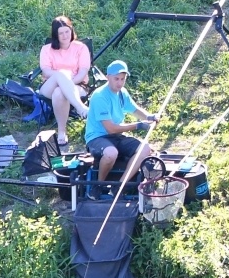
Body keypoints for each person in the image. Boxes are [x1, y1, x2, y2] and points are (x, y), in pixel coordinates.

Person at [84, 60, 158, 182]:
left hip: (117, 137)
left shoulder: (122, 92)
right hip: (97, 138)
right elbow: (110, 128)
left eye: (123, 79)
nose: (120, 83)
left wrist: (150, 117)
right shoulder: (99, 96)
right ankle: (98, 184)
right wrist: (138, 125)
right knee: (111, 153)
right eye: (116, 79)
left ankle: (120, 185)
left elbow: (135, 110)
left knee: (145, 149)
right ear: (108, 77)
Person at [39, 15, 91, 149]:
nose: (65, 35)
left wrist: (67, 83)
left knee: (59, 93)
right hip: (49, 85)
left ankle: (62, 132)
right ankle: (81, 109)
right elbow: (46, 71)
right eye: (60, 33)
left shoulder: (81, 48)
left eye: (67, 31)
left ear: (71, 30)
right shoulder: (46, 49)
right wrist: (62, 78)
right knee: (60, 75)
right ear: (55, 35)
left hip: (77, 85)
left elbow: (82, 72)